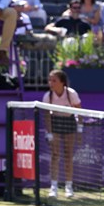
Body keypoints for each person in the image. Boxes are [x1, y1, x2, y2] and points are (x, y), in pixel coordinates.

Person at [42, 69, 82, 198]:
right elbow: (47, 115)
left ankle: (68, 187)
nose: (51, 83)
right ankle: (53, 187)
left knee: (68, 155)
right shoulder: (48, 96)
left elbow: (79, 111)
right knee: (55, 154)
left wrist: (80, 128)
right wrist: (49, 133)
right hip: (55, 123)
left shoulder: (71, 94)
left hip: (69, 122)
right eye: (50, 80)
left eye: (54, 80)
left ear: (62, 82)